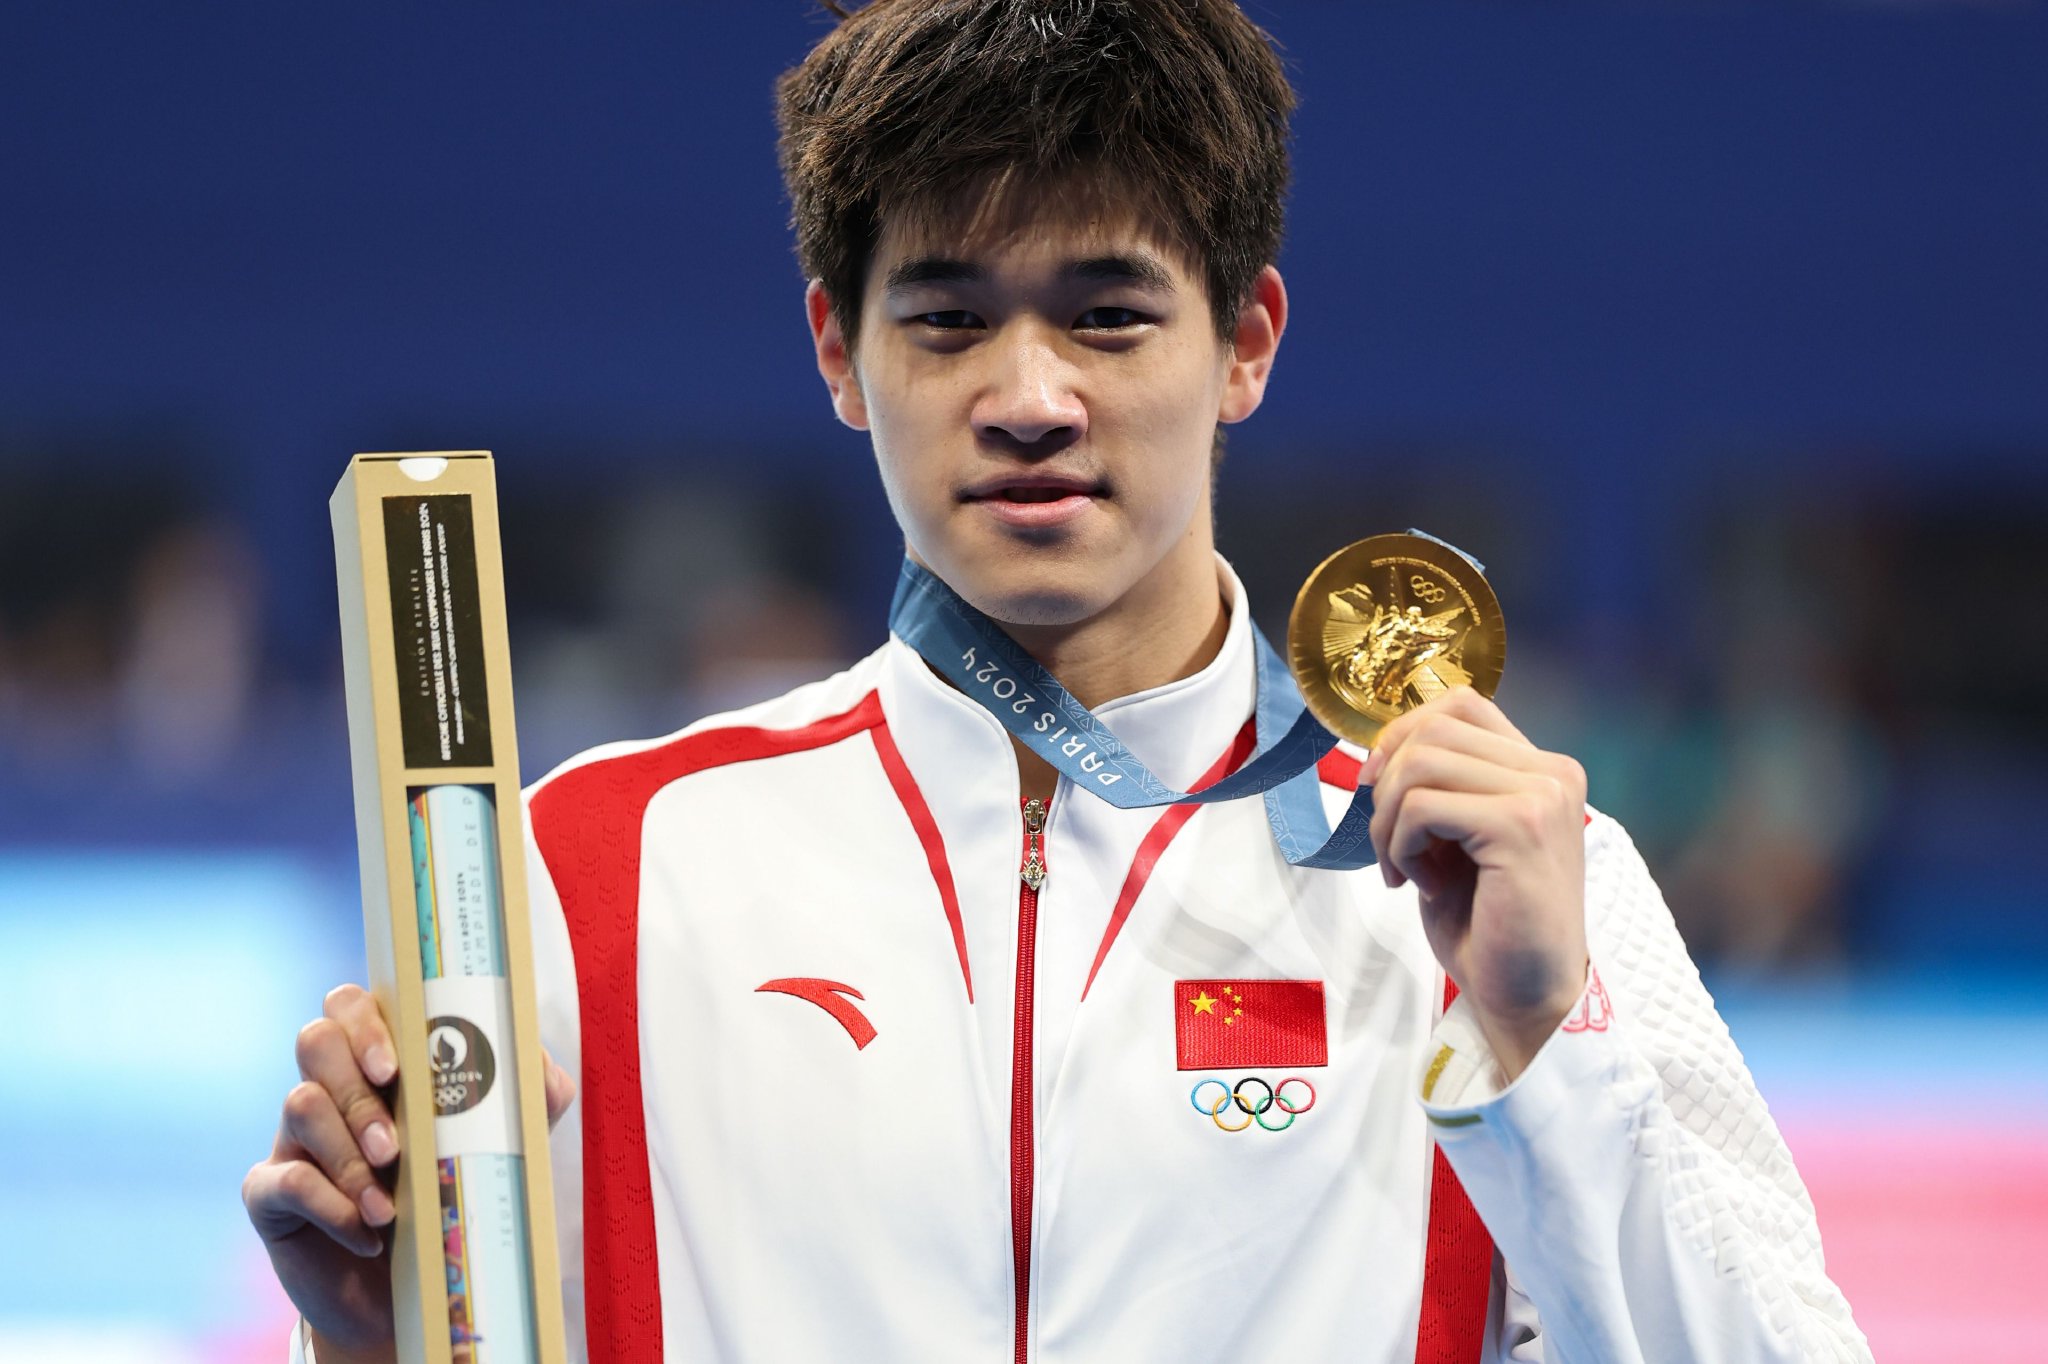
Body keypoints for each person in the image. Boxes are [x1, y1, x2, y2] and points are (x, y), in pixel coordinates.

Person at [242, 2, 1873, 1360]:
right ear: (837, 349)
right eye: (948, 320)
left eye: (1107, 315)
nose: (1029, 398)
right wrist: (377, 1343)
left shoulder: (1496, 887)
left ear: (1247, 342)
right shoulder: (586, 871)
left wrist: (1542, 1037)